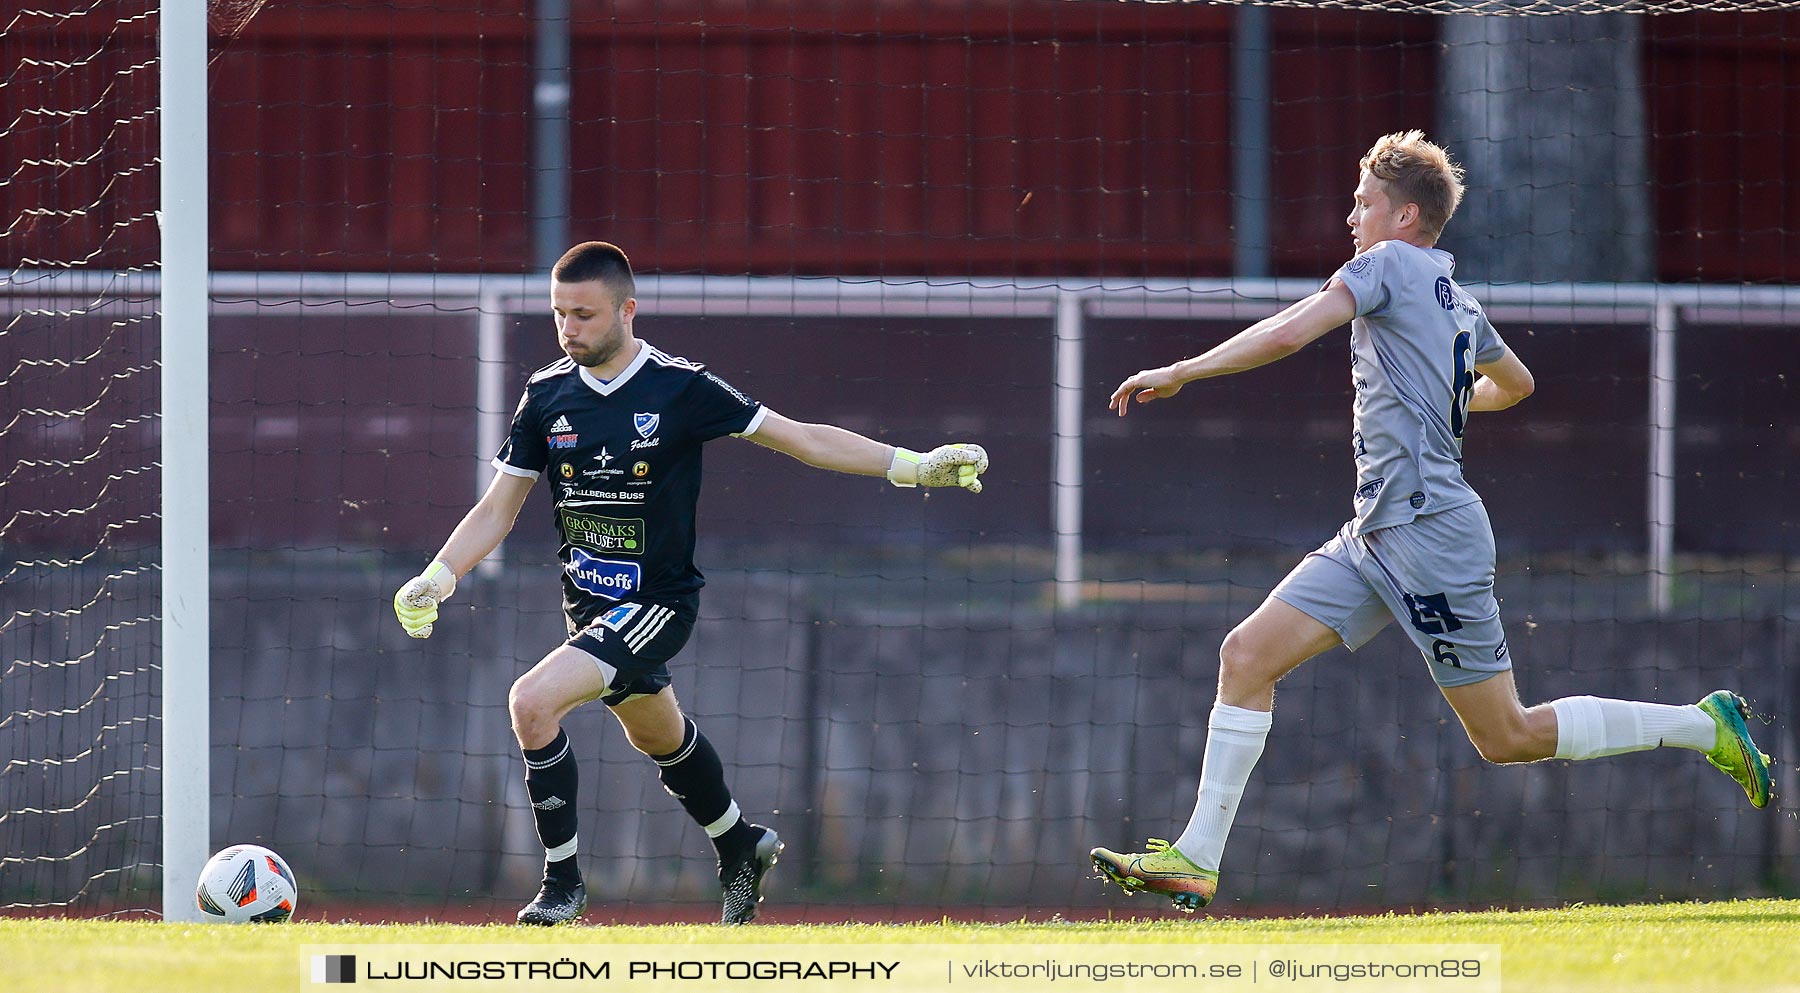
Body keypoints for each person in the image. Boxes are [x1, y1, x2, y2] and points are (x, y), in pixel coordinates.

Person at [1089, 131, 1773, 912]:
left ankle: (1702, 724)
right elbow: (1516, 383)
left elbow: (1288, 331)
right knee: (1245, 655)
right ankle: (1196, 858)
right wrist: (1440, 409)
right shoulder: (1460, 297)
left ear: (1406, 214)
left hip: (1430, 536)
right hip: (1375, 531)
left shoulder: (1381, 266)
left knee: (1505, 736)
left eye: (1364, 200)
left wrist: (1182, 370)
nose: (1352, 214)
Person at [392, 241, 988, 925]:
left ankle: (563, 885)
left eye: (584, 314)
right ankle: (740, 843)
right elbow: (499, 506)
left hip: (656, 605)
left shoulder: (681, 386)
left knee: (530, 702)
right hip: (588, 610)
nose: (569, 328)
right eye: (559, 314)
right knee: (660, 739)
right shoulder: (545, 394)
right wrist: (435, 578)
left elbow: (803, 438)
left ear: (628, 310)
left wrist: (916, 466)